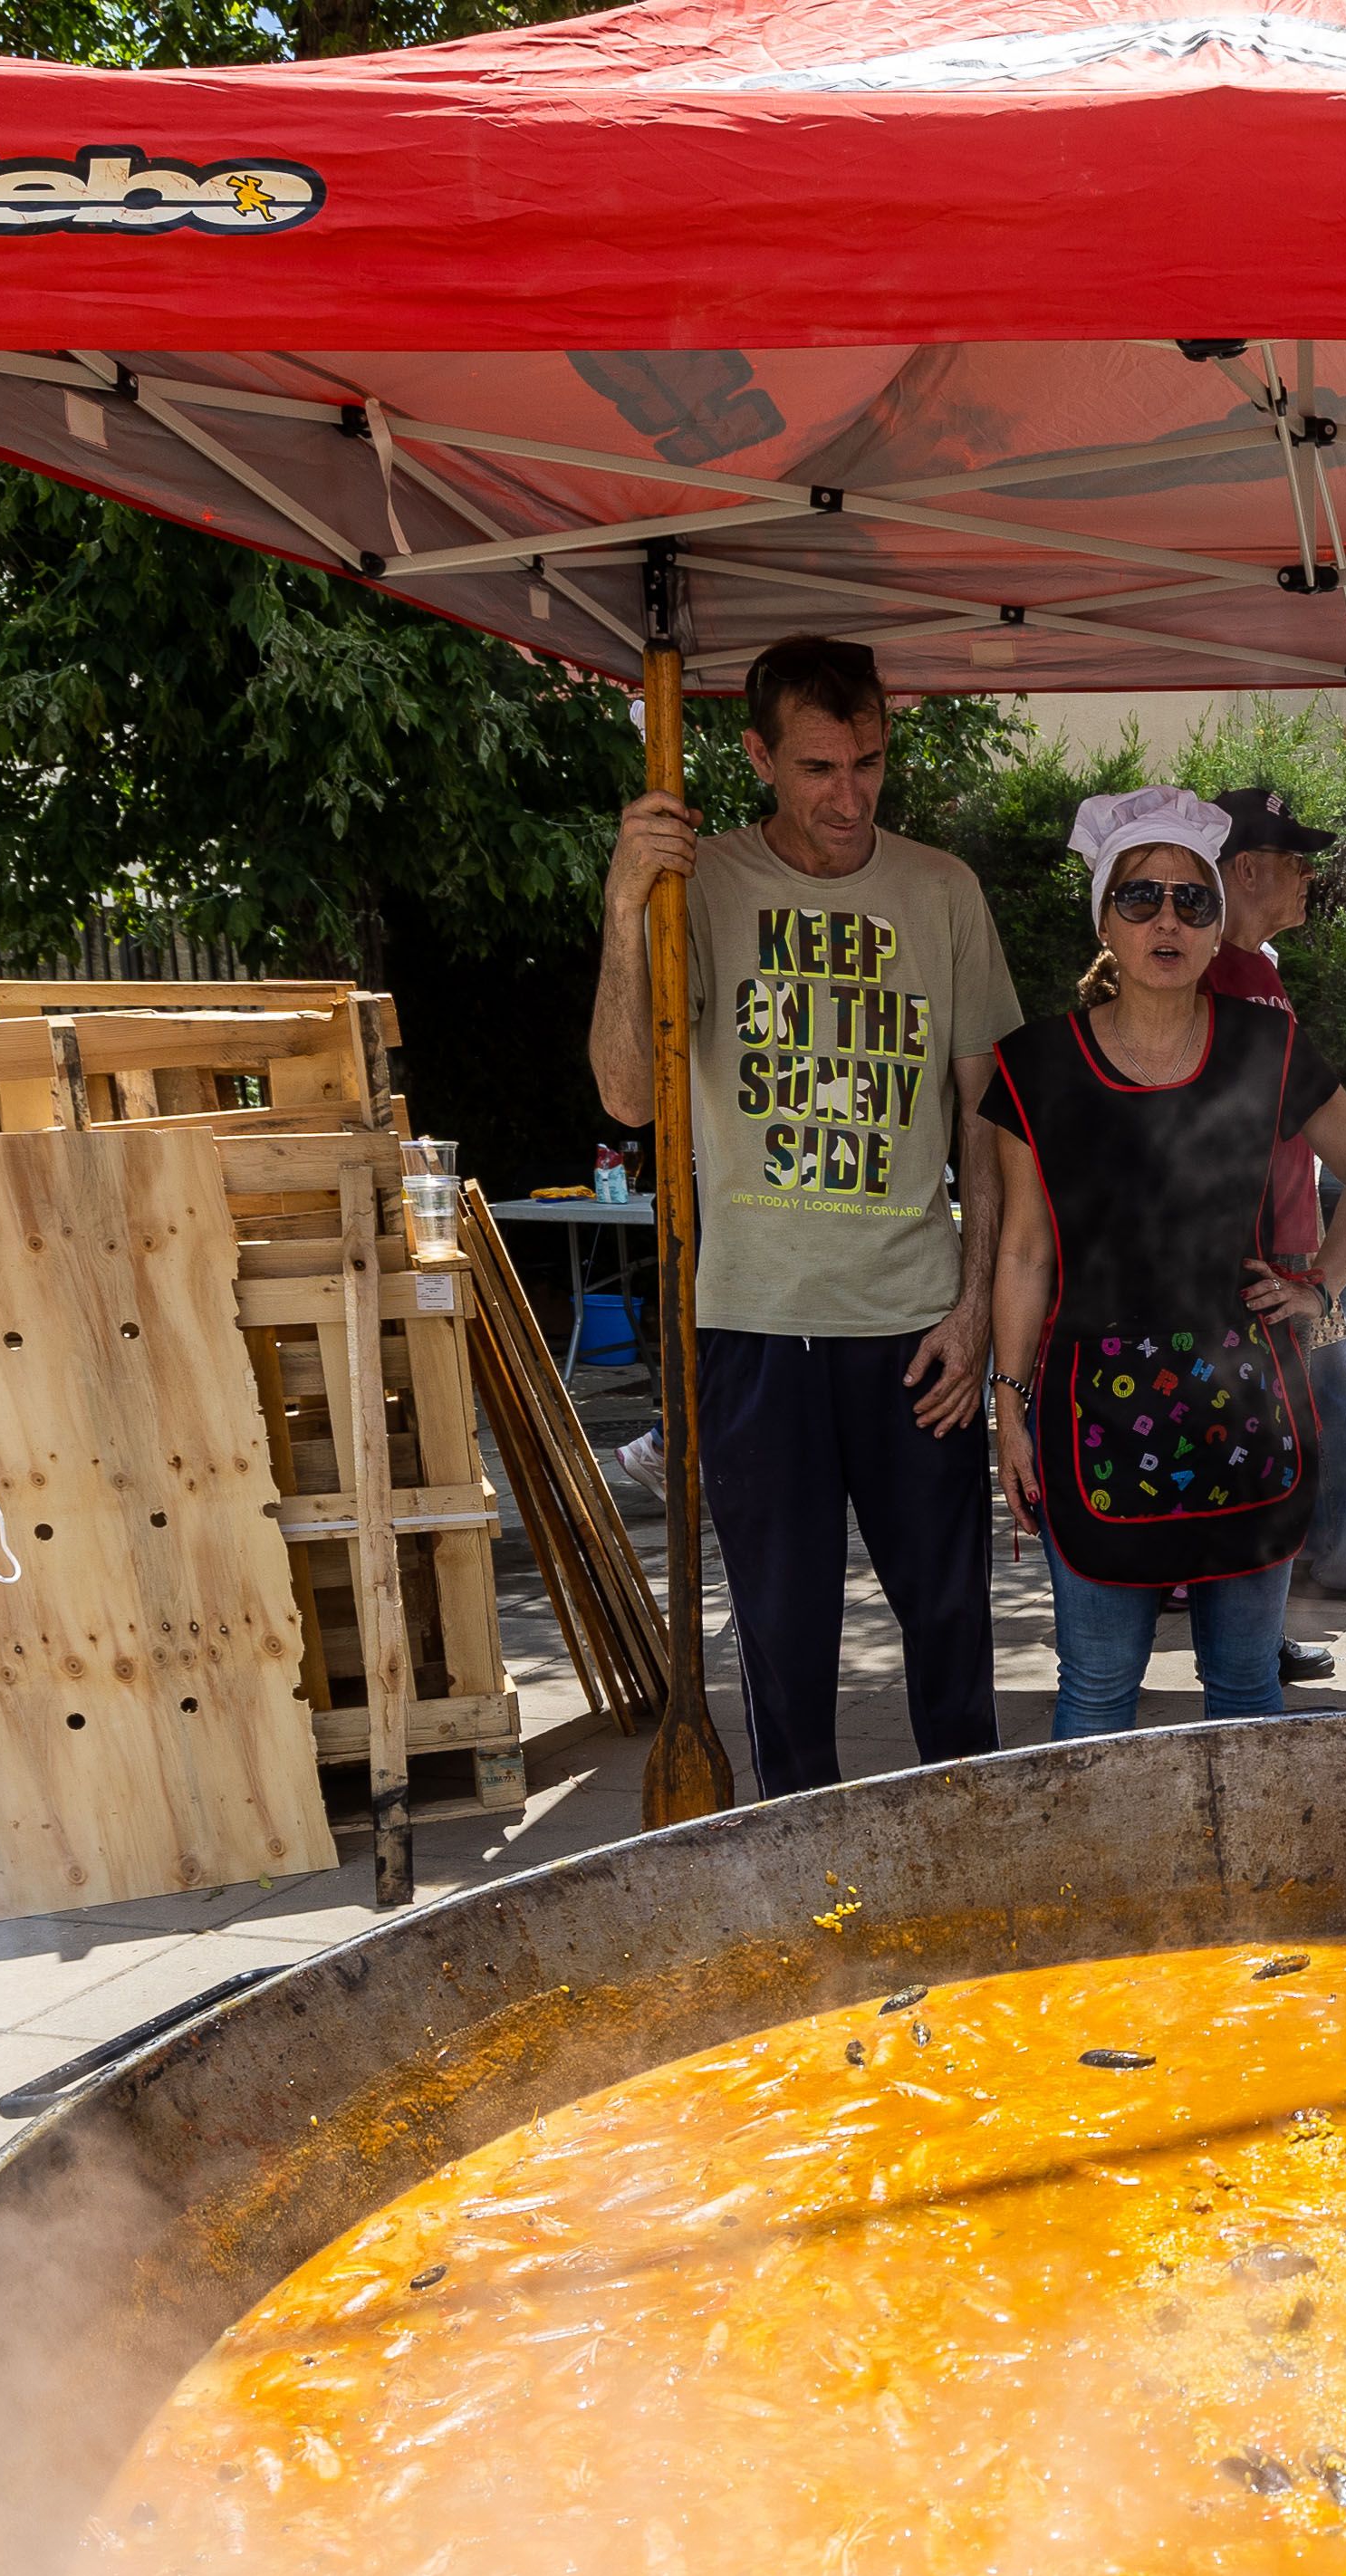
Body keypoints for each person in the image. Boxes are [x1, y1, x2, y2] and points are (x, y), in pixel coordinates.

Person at [587, 633, 1020, 1793]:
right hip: (754, 1322)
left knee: (951, 1639)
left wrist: (976, 1307)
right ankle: (806, 1902)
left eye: (869, 761)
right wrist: (627, 894)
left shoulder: (941, 891)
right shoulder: (696, 884)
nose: (849, 794)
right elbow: (630, 1091)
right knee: (783, 1648)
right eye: (820, 767)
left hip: (914, 1324)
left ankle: (971, 1860)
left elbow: (988, 1120)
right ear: (759, 757)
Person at [985, 787, 1346, 1735]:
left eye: (1190, 900)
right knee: (1095, 1683)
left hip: (1248, 1405)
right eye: (1139, 899)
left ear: (1217, 926)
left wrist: (1319, 1285)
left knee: (1246, 1684)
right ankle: (1098, 1885)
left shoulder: (1268, 1045)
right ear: (1104, 917)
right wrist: (1005, 1413)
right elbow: (1021, 1250)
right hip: (1090, 1415)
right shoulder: (1036, 1069)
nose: (1165, 919)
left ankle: (1241, 1885)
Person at [1204, 782, 1346, 1644]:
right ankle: (1251, 1647)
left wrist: (1317, 1273)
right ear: (1246, 867)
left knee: (1277, 1457)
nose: (1309, 876)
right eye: (1294, 859)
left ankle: (1261, 1640)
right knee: (1254, 1467)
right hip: (1242, 1274)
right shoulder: (1213, 975)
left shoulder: (1253, 975)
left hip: (1277, 1264)